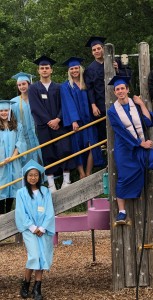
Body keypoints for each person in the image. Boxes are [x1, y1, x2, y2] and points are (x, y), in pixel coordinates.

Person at [107, 76, 153, 223]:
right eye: (117, 89)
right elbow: (121, 132)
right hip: (125, 148)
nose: (120, 91)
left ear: (127, 90)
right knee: (124, 176)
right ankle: (122, 211)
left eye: (122, 88)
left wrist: (142, 104)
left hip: (140, 145)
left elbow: (149, 122)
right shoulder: (112, 111)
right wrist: (140, 143)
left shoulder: (135, 104)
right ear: (114, 92)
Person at [28, 55, 76, 193]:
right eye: (42, 68)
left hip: (60, 125)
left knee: (65, 150)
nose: (44, 70)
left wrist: (58, 119)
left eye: (46, 68)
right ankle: (51, 184)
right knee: (48, 152)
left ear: (51, 70)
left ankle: (67, 180)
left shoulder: (59, 87)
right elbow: (35, 108)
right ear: (38, 71)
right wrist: (49, 121)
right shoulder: (33, 89)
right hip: (44, 127)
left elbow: (64, 105)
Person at [15, 159, 55, 300]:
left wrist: (43, 228)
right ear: (26, 177)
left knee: (42, 256)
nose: (33, 177)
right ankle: (25, 284)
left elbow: (49, 211)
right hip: (29, 230)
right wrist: (33, 228)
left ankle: (37, 288)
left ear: (40, 176)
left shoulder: (45, 191)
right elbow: (20, 213)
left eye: (36, 175)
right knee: (34, 256)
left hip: (43, 230)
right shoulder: (21, 193)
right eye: (30, 175)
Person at [60, 57, 104, 179]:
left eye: (76, 68)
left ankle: (88, 172)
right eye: (72, 68)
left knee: (92, 144)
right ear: (69, 71)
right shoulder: (65, 86)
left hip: (89, 120)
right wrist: (73, 120)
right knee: (77, 147)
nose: (74, 70)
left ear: (80, 69)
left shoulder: (86, 83)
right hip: (77, 122)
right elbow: (68, 104)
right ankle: (81, 173)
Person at [84, 36, 131, 143]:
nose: (96, 51)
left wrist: (118, 69)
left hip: (119, 100)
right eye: (94, 50)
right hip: (101, 104)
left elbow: (128, 76)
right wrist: (93, 105)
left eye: (98, 48)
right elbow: (90, 89)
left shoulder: (115, 61)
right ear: (92, 52)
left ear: (103, 49)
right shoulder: (89, 69)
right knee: (106, 133)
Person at [0, 100, 26, 214]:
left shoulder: (17, 126)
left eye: (6, 110)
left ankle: (8, 213)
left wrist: (13, 157)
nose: (4, 113)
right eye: (1, 111)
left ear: (10, 111)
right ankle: (1, 215)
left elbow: (20, 142)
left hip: (13, 161)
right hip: (1, 163)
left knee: (13, 186)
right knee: (1, 186)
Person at [11, 72, 43, 164]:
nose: (21, 87)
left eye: (24, 84)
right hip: (23, 138)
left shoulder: (37, 98)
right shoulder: (13, 102)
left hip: (38, 135)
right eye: (19, 85)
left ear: (29, 84)